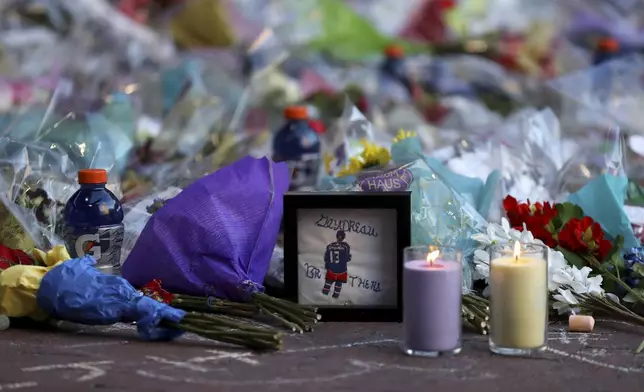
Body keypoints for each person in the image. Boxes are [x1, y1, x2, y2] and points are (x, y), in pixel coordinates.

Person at [322, 230, 352, 298]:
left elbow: (325, 258)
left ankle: (324, 294)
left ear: (336, 236)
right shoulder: (346, 246)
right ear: (344, 237)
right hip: (341, 270)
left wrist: (328, 265)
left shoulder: (329, 246)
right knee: (338, 284)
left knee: (328, 282)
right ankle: (335, 296)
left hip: (331, 269)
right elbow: (347, 258)